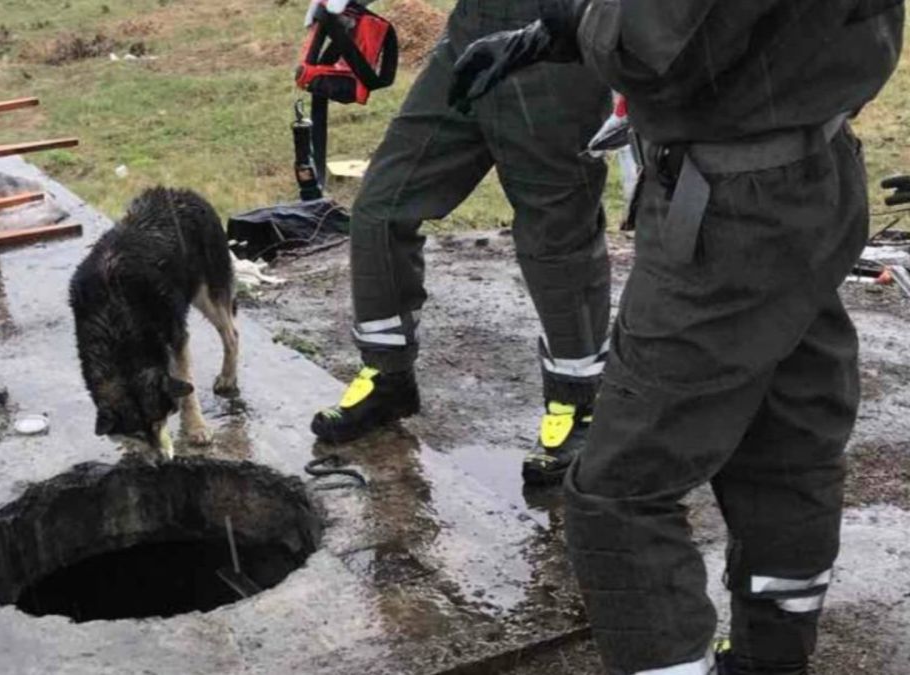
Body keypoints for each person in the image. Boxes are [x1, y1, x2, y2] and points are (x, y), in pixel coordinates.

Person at [450, 1, 903, 673]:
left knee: (617, 494)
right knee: (784, 443)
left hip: (736, 201)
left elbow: (650, 43)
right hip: (815, 165)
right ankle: (769, 659)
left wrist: (577, 19)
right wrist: (560, 33)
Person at [309, 0, 613, 487]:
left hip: (557, 49)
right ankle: (388, 378)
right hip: (470, 36)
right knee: (381, 207)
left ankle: (578, 405)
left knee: (556, 237)